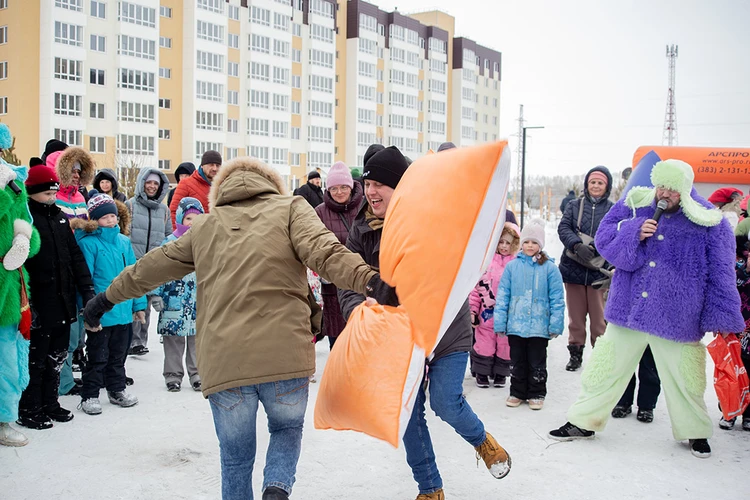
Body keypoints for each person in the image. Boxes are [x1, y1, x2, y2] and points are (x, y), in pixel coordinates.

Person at [82, 156, 381, 500]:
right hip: (284, 353)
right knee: (286, 429)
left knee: (236, 458)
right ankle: (276, 488)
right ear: (270, 184)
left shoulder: (205, 227)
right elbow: (326, 253)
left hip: (225, 361)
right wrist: (373, 282)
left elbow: (151, 267)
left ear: (220, 191)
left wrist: (104, 299)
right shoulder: (291, 209)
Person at [339, 146, 511, 500]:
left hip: (446, 328)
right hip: (398, 336)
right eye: (368, 183)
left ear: (400, 186)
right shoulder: (361, 230)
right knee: (409, 413)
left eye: (380, 184)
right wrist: (359, 309)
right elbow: (348, 280)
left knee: (445, 402)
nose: (371, 191)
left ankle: (482, 441)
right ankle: (430, 488)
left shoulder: (432, 218)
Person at [549, 159, 746, 459]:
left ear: (685, 188)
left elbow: (721, 272)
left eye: (672, 188)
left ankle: (696, 432)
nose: (664, 193)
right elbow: (605, 244)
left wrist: (721, 316)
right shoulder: (634, 203)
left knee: (686, 378)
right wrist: (634, 232)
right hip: (629, 310)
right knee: (604, 369)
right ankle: (582, 421)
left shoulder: (709, 220)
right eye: (661, 186)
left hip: (678, 317)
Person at [17, 164, 95, 430]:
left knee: (58, 356)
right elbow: (22, 264)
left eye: (54, 192)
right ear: (33, 192)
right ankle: (29, 407)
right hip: (39, 302)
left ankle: (50, 401)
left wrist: (86, 290)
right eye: (47, 193)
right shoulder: (26, 219)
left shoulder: (60, 218)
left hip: (63, 300)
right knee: (36, 360)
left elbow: (75, 257)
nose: (52, 196)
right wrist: (26, 304)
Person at [74, 192, 145, 415]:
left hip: (123, 312)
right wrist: (87, 310)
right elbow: (84, 280)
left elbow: (135, 276)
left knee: (118, 356)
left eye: (113, 216)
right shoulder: (89, 244)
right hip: (101, 313)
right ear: (95, 220)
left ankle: (117, 389)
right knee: (97, 356)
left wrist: (138, 305)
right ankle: (90, 394)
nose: (111, 221)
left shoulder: (124, 242)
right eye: (105, 218)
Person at [494, 219, 564, 410]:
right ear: (521, 243)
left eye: (534, 242)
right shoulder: (512, 267)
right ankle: (517, 391)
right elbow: (503, 296)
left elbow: (557, 298)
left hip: (539, 326)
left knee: (537, 361)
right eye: (526, 242)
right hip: (516, 325)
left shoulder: (549, 268)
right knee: (517, 361)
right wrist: (500, 322)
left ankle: (536, 391)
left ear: (540, 244)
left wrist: (555, 324)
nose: (530, 246)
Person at [0, 124, 41, 447]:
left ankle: (4, 419)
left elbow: (30, 230)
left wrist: (24, 240)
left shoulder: (14, 185)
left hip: (9, 291)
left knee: (8, 359)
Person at [49, 146, 96, 398]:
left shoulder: (80, 198)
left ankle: (66, 377)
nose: (76, 175)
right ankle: (61, 380)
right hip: (59, 267)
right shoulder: (53, 196)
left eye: (80, 171)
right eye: (72, 170)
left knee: (77, 328)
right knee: (64, 330)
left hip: (80, 266)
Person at [557, 166, 614, 371]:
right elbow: (563, 228)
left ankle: (599, 356)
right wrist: (576, 245)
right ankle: (575, 354)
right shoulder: (574, 205)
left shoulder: (612, 208)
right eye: (592, 182)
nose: (596, 186)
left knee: (600, 319)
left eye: (600, 182)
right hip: (573, 268)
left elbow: (617, 233)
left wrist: (597, 247)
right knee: (575, 317)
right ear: (586, 185)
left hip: (599, 271)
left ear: (606, 186)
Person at [152, 197, 204, 392]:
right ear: (181, 218)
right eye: (189, 218)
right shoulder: (169, 242)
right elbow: (157, 269)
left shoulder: (204, 243)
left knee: (196, 340)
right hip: (173, 301)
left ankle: (197, 373)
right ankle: (172, 375)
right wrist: (156, 294)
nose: (193, 223)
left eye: (197, 219)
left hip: (198, 302)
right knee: (173, 341)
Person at [314, 161, 364, 349]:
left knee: (362, 343)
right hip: (333, 288)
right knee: (339, 347)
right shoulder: (319, 212)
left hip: (363, 283)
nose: (339, 192)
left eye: (344, 187)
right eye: (334, 188)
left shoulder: (364, 207)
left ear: (351, 186)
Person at [126, 167, 172, 356]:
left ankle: (140, 341)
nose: (152, 186)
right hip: (134, 261)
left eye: (156, 183)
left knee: (147, 303)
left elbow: (168, 235)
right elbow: (124, 232)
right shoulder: (130, 206)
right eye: (149, 182)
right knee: (133, 302)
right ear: (142, 183)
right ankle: (131, 341)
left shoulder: (164, 210)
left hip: (154, 263)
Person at [469, 222, 520, 388]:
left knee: (504, 343)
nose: (504, 246)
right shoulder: (487, 262)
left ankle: (501, 372)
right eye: (501, 242)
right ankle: (482, 371)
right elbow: (477, 289)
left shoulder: (516, 264)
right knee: (484, 342)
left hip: (507, 313)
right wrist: (473, 310)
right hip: (487, 311)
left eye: (508, 243)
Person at [720, 217, 750, 430]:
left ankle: (748, 415)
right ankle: (729, 412)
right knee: (730, 371)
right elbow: (725, 293)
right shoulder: (735, 269)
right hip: (735, 329)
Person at [170, 151, 221, 227]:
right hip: (192, 234)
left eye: (217, 165)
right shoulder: (186, 184)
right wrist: (178, 234)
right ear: (202, 165)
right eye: (211, 165)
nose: (214, 168)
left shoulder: (223, 185)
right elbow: (174, 211)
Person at [611, 346, 660, 423]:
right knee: (624, 367)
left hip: (652, 336)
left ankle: (646, 406)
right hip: (628, 336)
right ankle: (623, 402)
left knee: (650, 369)